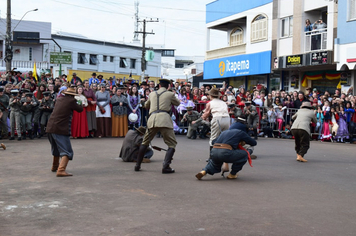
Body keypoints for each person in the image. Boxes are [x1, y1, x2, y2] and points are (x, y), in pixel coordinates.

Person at [134, 79, 180, 174]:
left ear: (159, 85)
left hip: (152, 119)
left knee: (145, 142)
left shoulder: (151, 94)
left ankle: (137, 165)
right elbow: (178, 103)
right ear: (168, 86)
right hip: (164, 119)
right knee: (172, 144)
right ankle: (166, 166)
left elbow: (146, 105)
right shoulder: (170, 94)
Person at [46, 87, 83, 177]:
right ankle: (61, 170)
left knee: (55, 148)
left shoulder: (59, 99)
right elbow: (80, 109)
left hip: (50, 127)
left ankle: (55, 166)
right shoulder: (71, 101)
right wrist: (79, 102)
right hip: (60, 129)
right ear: (72, 96)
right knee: (67, 151)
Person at [201, 87, 230, 156]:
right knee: (224, 137)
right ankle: (223, 155)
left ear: (211, 96)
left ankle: (212, 157)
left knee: (213, 138)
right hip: (227, 119)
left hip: (217, 118)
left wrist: (203, 117)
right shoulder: (223, 103)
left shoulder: (210, 103)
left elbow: (206, 114)